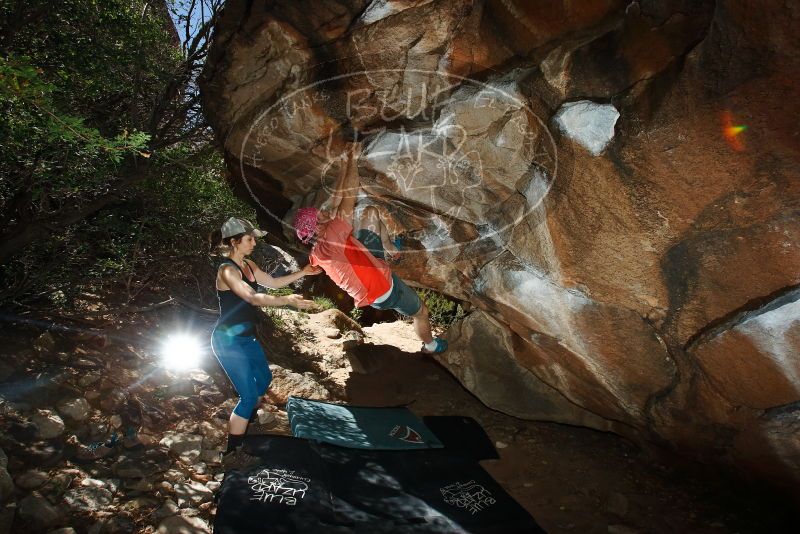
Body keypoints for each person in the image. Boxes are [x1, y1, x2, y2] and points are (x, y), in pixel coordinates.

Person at [293, 143, 448, 354]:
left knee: (370, 214)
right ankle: (430, 346)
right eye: (318, 216)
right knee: (421, 311)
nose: (323, 213)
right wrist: (353, 160)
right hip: (383, 290)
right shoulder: (333, 235)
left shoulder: (317, 251)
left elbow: (335, 200)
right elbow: (348, 195)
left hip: (366, 262)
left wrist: (344, 160)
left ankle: (390, 249)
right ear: (318, 228)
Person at [211, 217, 321, 468]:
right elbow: (251, 297)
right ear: (234, 241)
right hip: (227, 341)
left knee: (264, 379)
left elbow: (271, 283)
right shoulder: (227, 270)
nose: (254, 243)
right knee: (249, 397)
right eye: (249, 239)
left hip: (246, 338)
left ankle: (245, 421)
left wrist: (302, 271)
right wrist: (287, 301)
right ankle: (232, 454)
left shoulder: (248, 264)